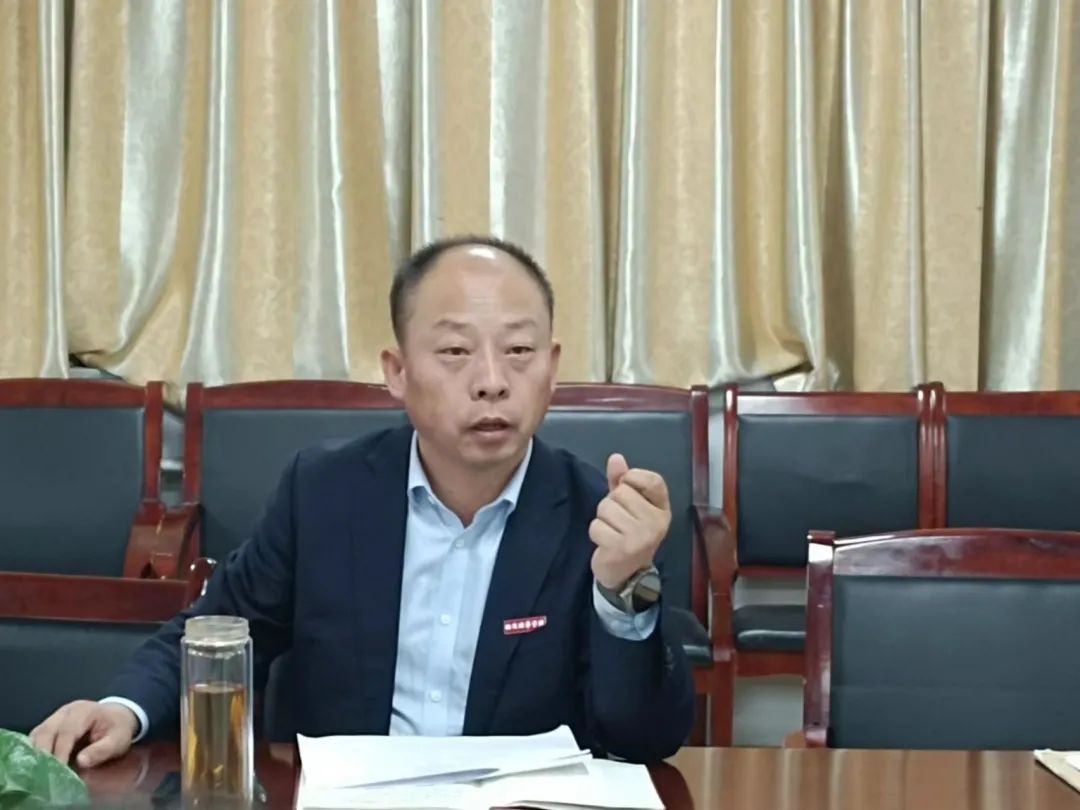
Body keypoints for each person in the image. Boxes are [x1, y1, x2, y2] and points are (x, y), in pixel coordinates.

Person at [30, 236, 695, 768]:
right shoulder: (323, 492)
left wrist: (624, 589)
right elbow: (219, 630)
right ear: (396, 372)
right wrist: (121, 709)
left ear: (552, 367)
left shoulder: (598, 516)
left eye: (519, 350)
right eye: (455, 351)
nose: (492, 381)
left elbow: (644, 738)